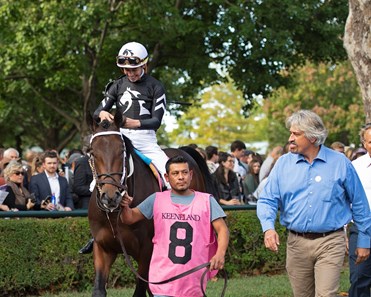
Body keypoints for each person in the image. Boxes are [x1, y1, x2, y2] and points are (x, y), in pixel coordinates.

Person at [257, 110, 371, 297]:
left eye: (296, 134)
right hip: (296, 243)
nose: (290, 138)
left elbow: (359, 204)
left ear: (312, 137)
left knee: (326, 294)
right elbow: (268, 199)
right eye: (291, 133)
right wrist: (268, 228)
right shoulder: (283, 164)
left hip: (330, 241)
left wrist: (364, 240)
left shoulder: (340, 163)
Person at [120, 155, 229, 297]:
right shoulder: (156, 199)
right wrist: (123, 205)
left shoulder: (207, 200)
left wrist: (220, 254)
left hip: (194, 280)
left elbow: (222, 230)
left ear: (191, 175)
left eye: (184, 172)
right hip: (162, 280)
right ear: (166, 177)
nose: (181, 177)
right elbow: (129, 218)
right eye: (175, 173)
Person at [93, 41, 169, 187]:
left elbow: (156, 121)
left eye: (134, 69)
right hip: (120, 138)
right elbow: (97, 112)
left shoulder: (156, 86)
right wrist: (103, 113)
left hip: (146, 142)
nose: (130, 73)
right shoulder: (117, 85)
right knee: (95, 182)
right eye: (126, 70)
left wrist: (133, 123)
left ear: (144, 65)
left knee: (169, 176)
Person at [349, 123, 371, 297]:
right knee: (358, 278)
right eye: (370, 141)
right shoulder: (355, 167)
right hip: (361, 228)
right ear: (364, 144)